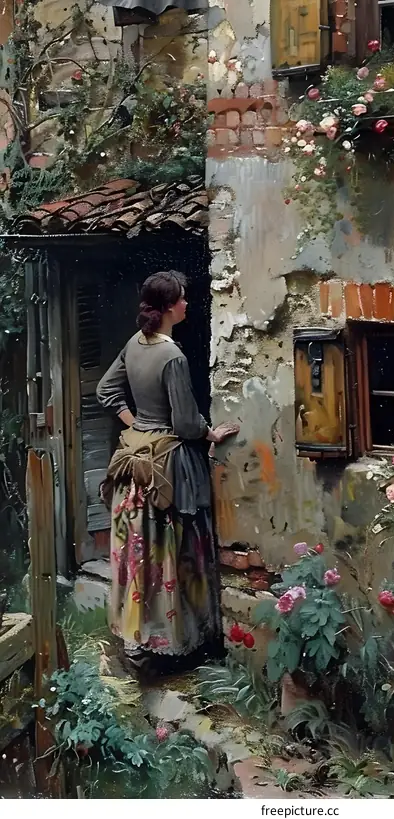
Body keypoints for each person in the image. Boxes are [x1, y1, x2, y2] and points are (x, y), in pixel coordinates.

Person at [96, 270, 238, 672]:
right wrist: (212, 433)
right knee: (168, 552)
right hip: (165, 468)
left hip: (135, 462)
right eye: (182, 299)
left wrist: (136, 425)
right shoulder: (172, 355)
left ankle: (137, 640)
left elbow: (106, 390)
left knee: (138, 555)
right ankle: (173, 642)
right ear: (167, 307)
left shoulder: (134, 344)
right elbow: (186, 425)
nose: (187, 304)